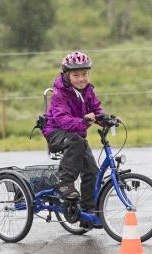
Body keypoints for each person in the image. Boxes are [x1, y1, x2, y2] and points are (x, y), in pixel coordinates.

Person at [42, 51, 105, 215]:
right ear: (67, 76)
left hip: (75, 135)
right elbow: (63, 120)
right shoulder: (59, 94)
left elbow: (96, 109)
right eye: (76, 75)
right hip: (56, 133)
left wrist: (105, 119)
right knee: (77, 141)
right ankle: (64, 183)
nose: (81, 78)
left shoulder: (88, 90)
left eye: (84, 74)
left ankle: (87, 212)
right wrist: (83, 121)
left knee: (92, 171)